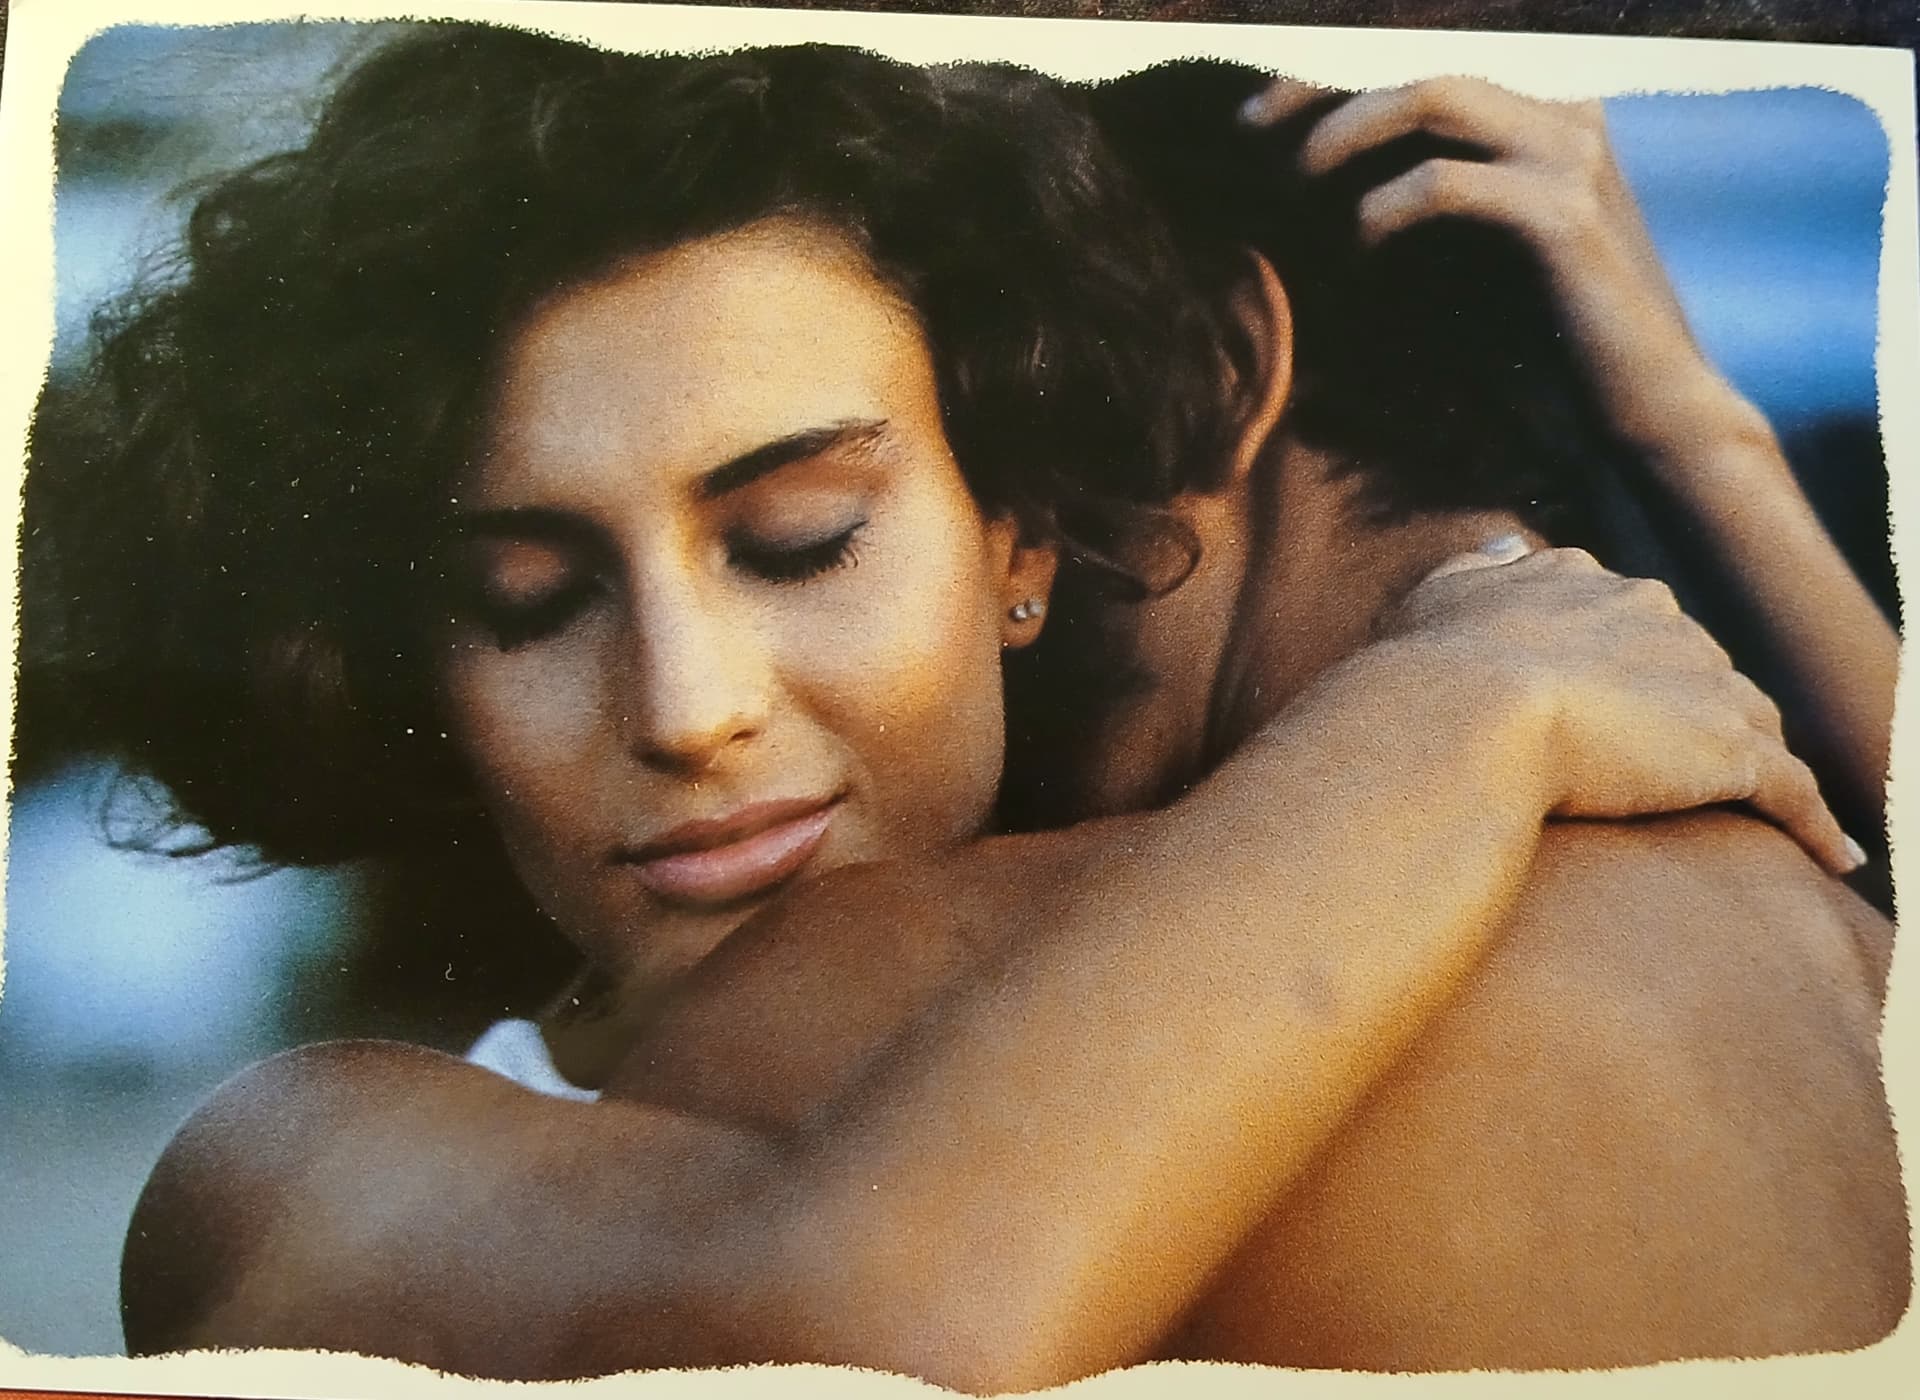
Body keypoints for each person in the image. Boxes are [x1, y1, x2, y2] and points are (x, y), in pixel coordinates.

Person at [75, 27, 1891, 1390]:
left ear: (1016, 528)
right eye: (523, 603)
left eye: (802, 541)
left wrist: (1694, 447)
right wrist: (1466, 702)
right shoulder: (298, 1170)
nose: (689, 709)